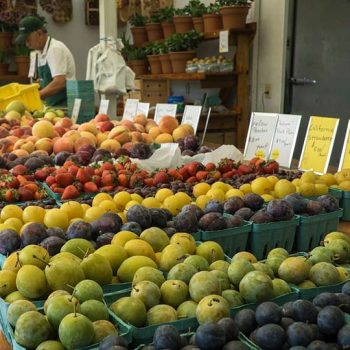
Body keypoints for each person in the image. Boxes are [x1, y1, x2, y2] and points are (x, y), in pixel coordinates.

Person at [15, 16, 76, 107]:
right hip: (52, 106)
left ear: (39, 33)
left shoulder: (55, 49)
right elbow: (46, 80)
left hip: (64, 106)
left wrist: (36, 96)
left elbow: (60, 82)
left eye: (28, 39)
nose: (27, 44)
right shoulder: (40, 51)